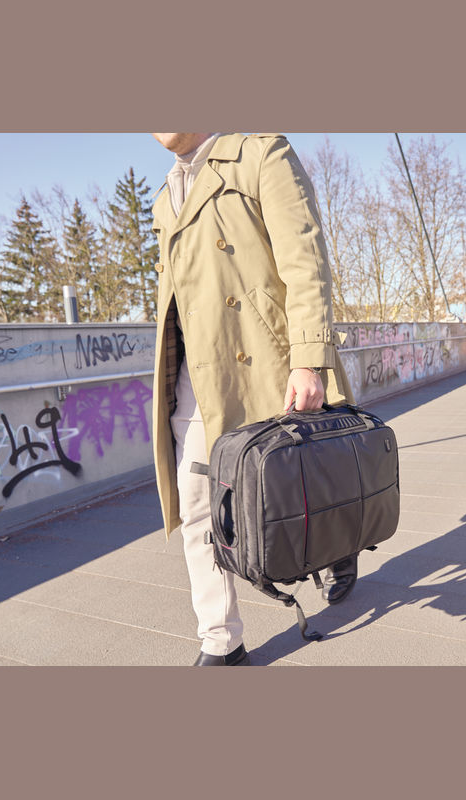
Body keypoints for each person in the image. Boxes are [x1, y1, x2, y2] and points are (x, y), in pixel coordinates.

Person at [150, 133, 359, 665]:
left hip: (267, 359)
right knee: (199, 506)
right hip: (196, 376)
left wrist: (308, 358)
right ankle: (222, 641)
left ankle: (340, 546)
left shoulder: (262, 154)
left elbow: (305, 260)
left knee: (307, 482)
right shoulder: (164, 199)